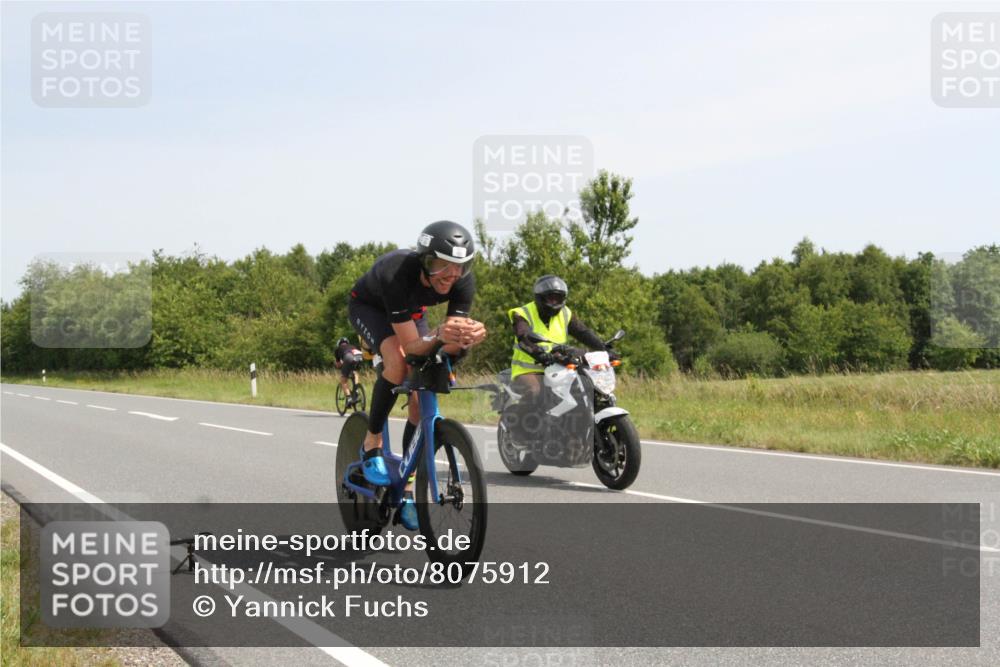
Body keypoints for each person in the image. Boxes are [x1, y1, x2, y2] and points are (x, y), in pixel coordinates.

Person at [348, 221, 487, 529]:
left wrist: (467, 337)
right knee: (398, 364)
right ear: (425, 261)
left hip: (411, 312)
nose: (451, 275)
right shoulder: (397, 271)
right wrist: (439, 334)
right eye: (442, 266)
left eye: (460, 267)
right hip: (371, 308)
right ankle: (372, 441)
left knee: (419, 397)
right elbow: (412, 347)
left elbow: (448, 340)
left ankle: (407, 486)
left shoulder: (462, 281)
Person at [507, 275, 616, 399]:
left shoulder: (565, 313)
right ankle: (520, 411)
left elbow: (583, 333)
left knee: (584, 389)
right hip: (528, 370)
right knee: (535, 391)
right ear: (540, 297)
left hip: (560, 367)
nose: (554, 302)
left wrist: (604, 349)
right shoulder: (522, 314)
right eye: (551, 298)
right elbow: (523, 338)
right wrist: (541, 355)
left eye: (558, 298)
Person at [334, 337, 363, 405]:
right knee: (355, 373)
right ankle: (356, 389)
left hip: (348, 357)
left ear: (339, 344)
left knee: (343, 381)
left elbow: (338, 364)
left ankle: (349, 398)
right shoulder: (352, 346)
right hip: (359, 356)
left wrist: (338, 366)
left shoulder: (338, 349)